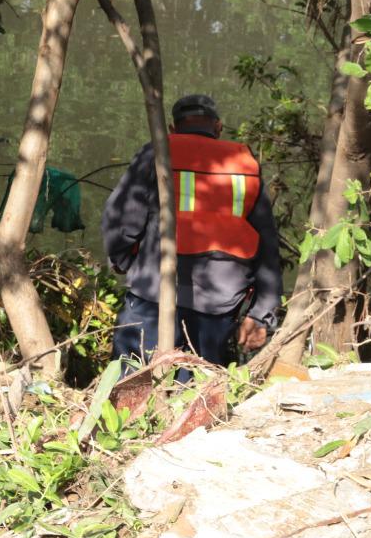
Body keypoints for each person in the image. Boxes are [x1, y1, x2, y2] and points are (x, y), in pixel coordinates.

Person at [101, 94, 282, 366]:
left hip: (153, 294)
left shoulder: (158, 152)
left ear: (174, 129)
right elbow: (267, 245)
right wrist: (261, 314)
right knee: (199, 388)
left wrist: (123, 260)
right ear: (218, 127)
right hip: (219, 304)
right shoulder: (244, 165)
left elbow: (121, 220)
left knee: (135, 384)